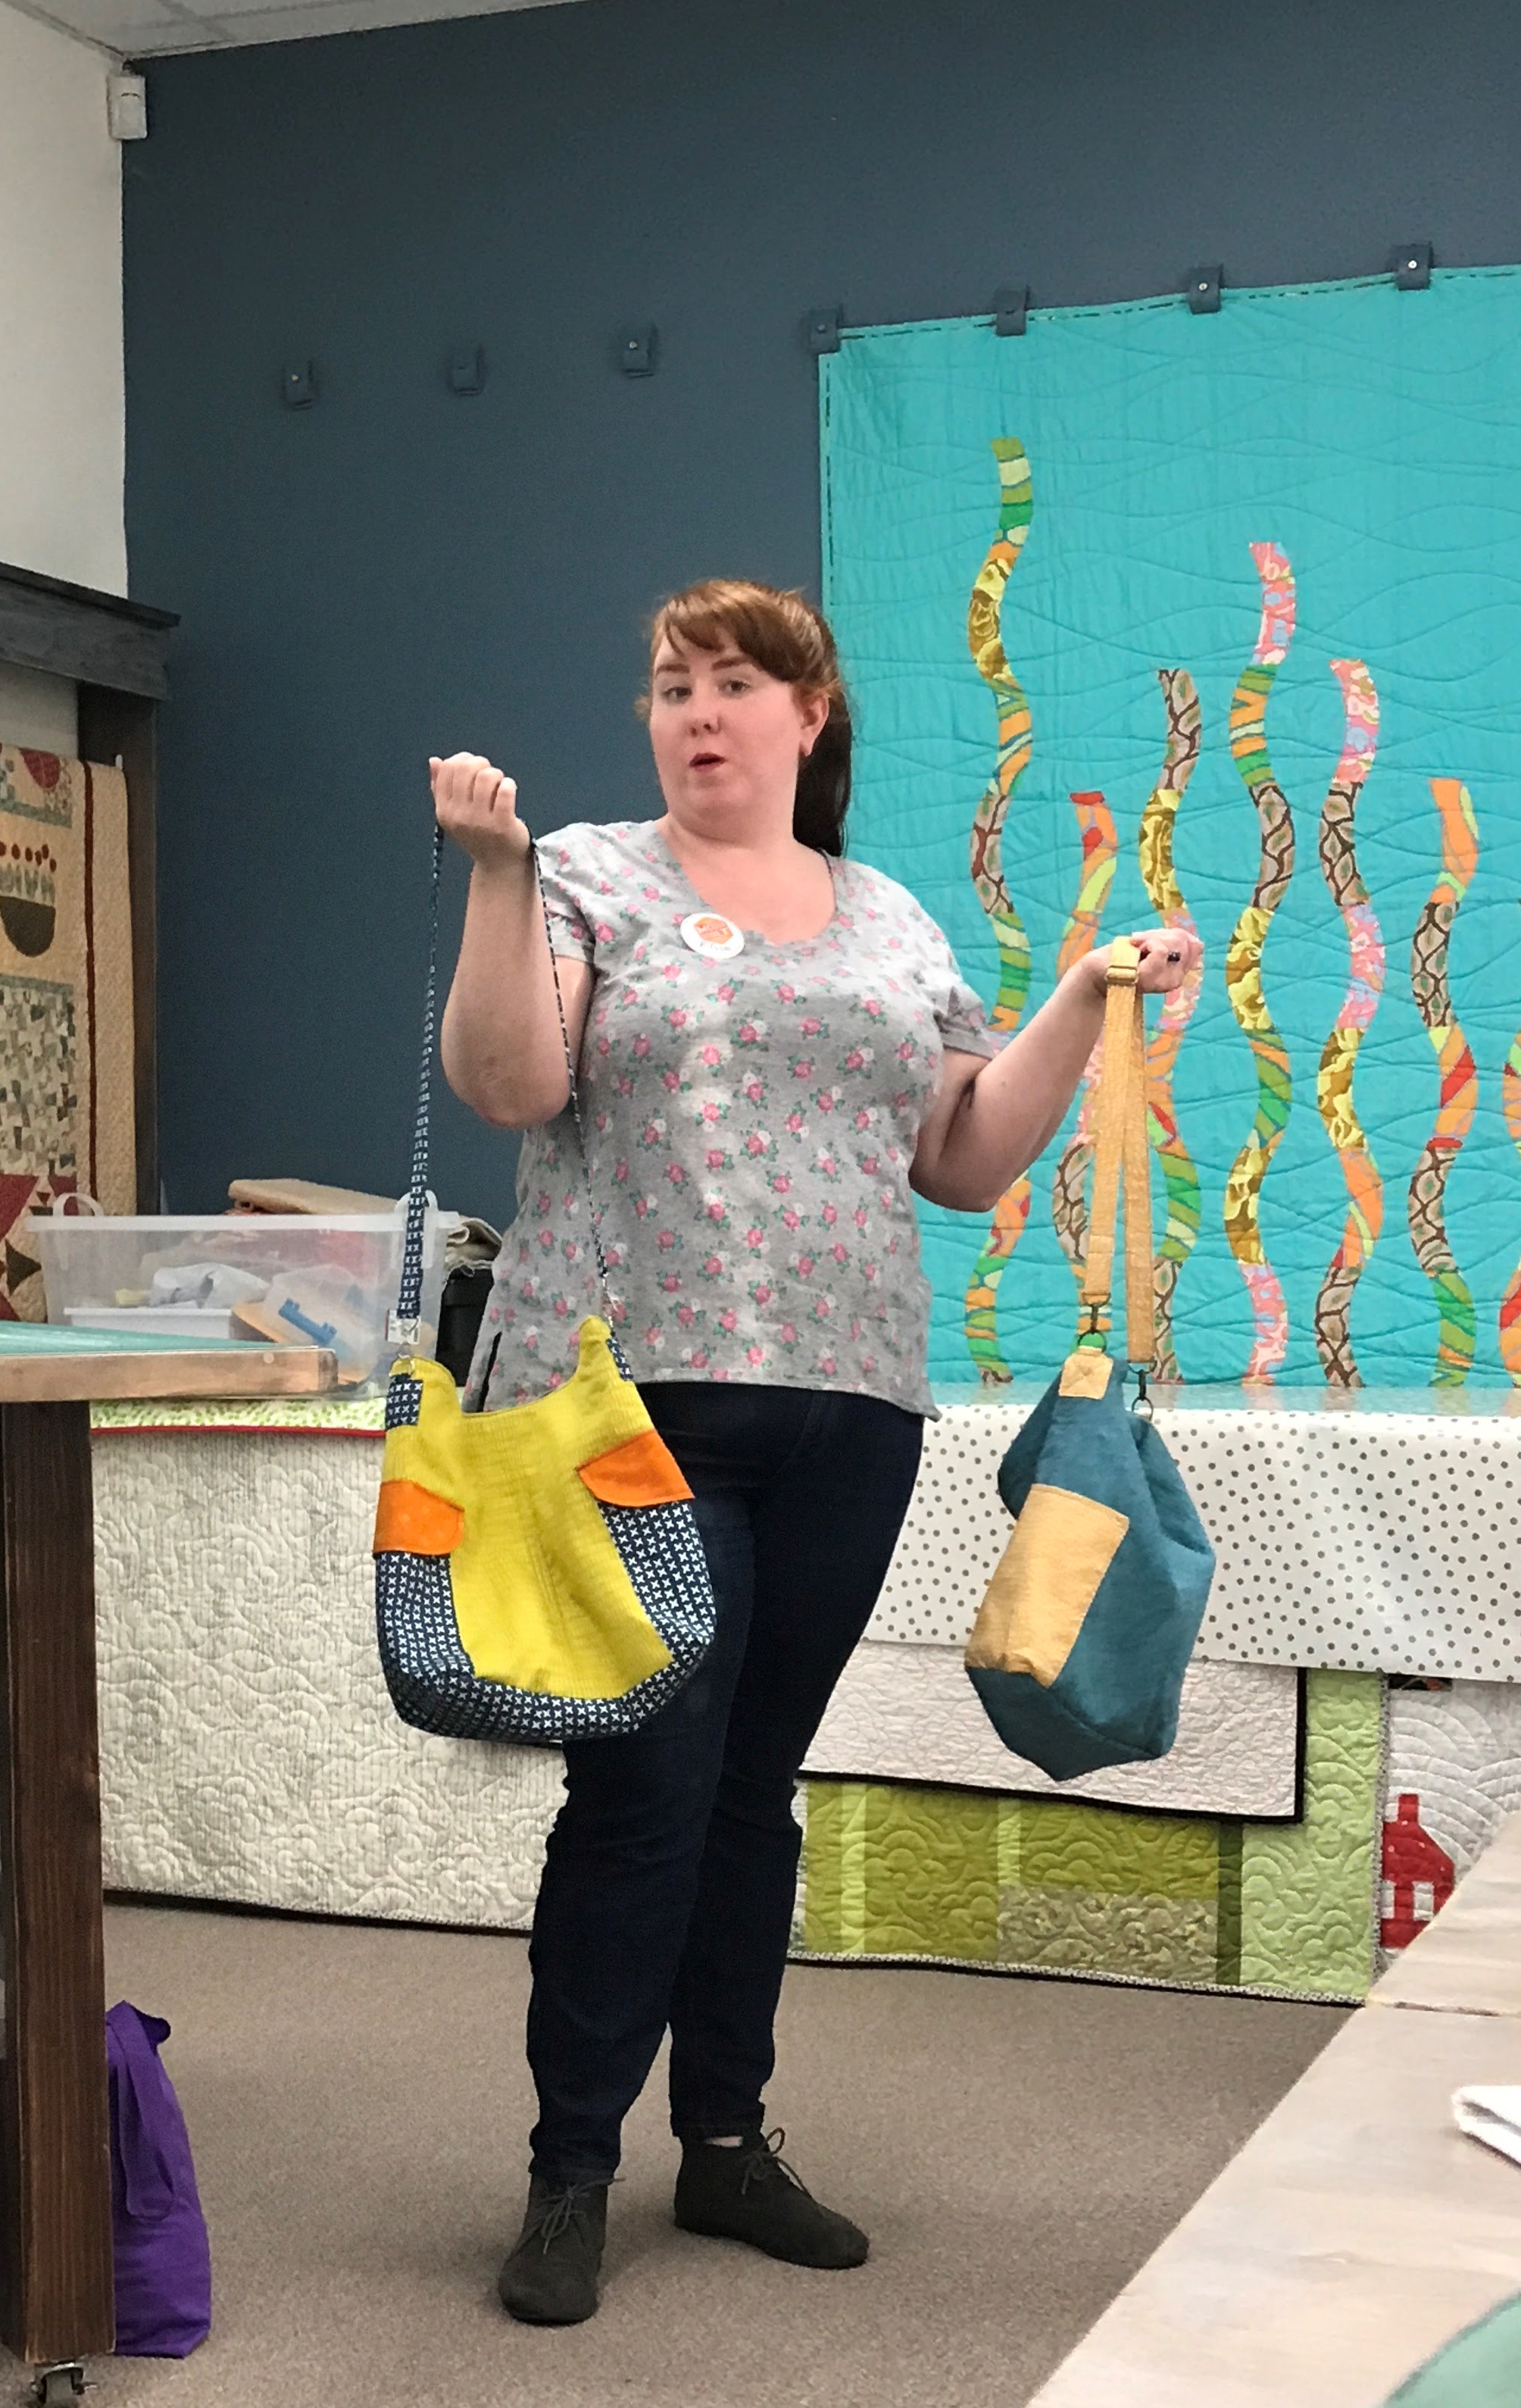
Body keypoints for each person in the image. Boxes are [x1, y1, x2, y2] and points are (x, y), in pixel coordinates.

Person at [432, 578, 1202, 2325]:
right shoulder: (582, 874)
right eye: (669, 685)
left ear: (807, 714)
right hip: (626, 1403)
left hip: (848, 1409)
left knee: (749, 1785)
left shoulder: (888, 917)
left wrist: (1082, 994)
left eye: (731, 682)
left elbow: (963, 1156)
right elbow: (509, 1085)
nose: (696, 710)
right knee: (643, 1785)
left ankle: (722, 2138)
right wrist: (492, 873)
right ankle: (571, 2165)